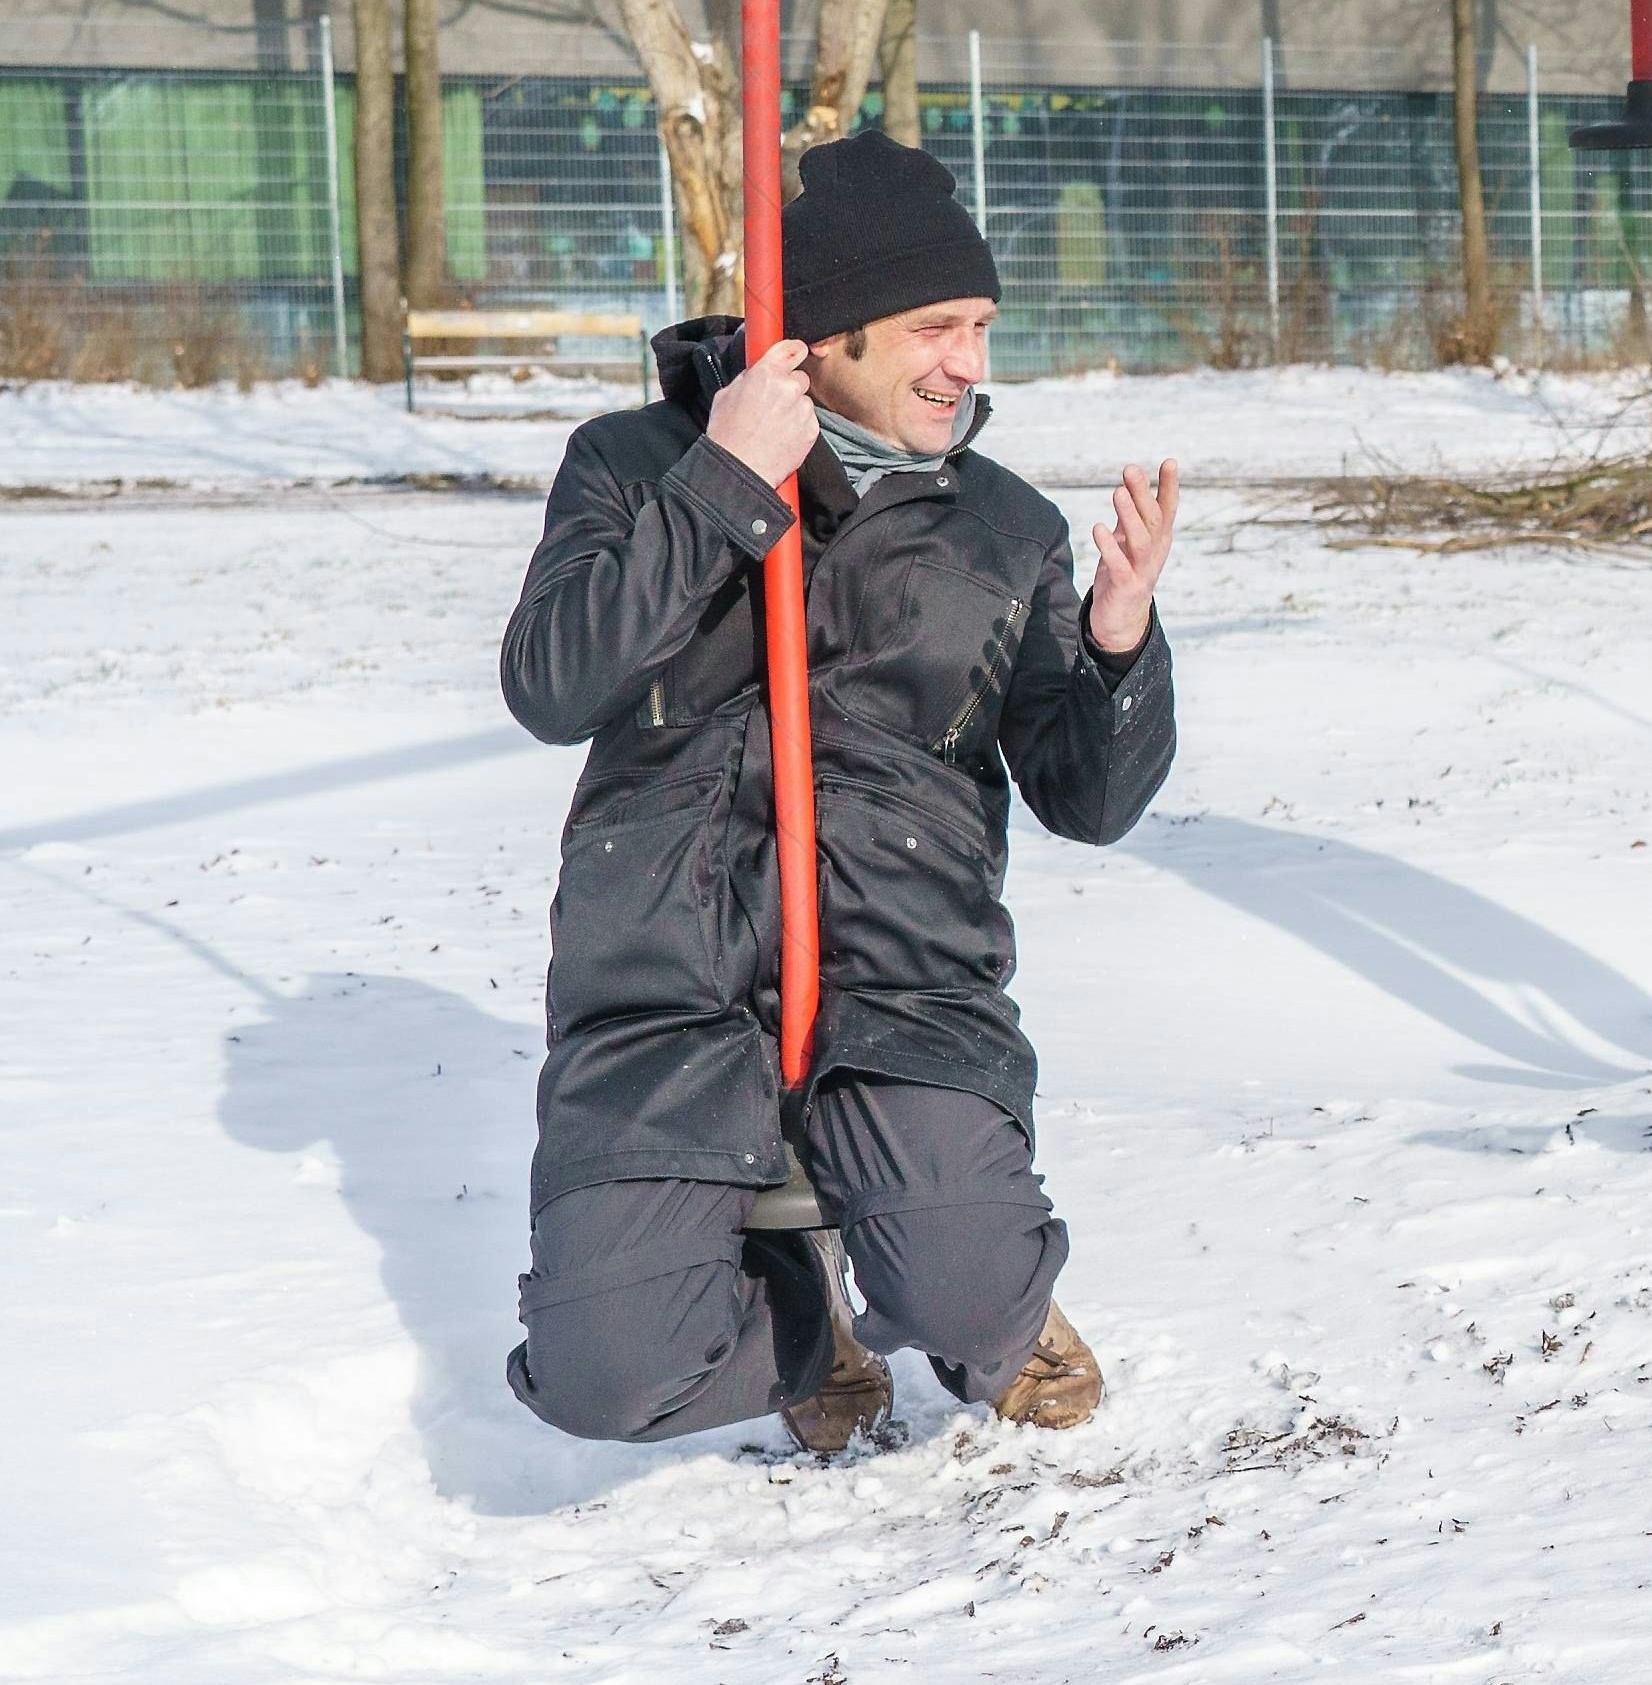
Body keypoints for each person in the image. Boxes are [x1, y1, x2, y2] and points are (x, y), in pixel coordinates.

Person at [497, 131, 1180, 1452]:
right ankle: (811, 1317)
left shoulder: (1003, 529)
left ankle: (992, 1309)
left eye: (980, 326)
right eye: (935, 326)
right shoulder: (634, 467)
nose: (968, 365)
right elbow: (551, 685)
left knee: (969, 1290)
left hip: (903, 990)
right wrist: (721, 487)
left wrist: (1116, 640)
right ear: (819, 336)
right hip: (666, 991)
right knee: (604, 1380)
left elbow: (1087, 800)